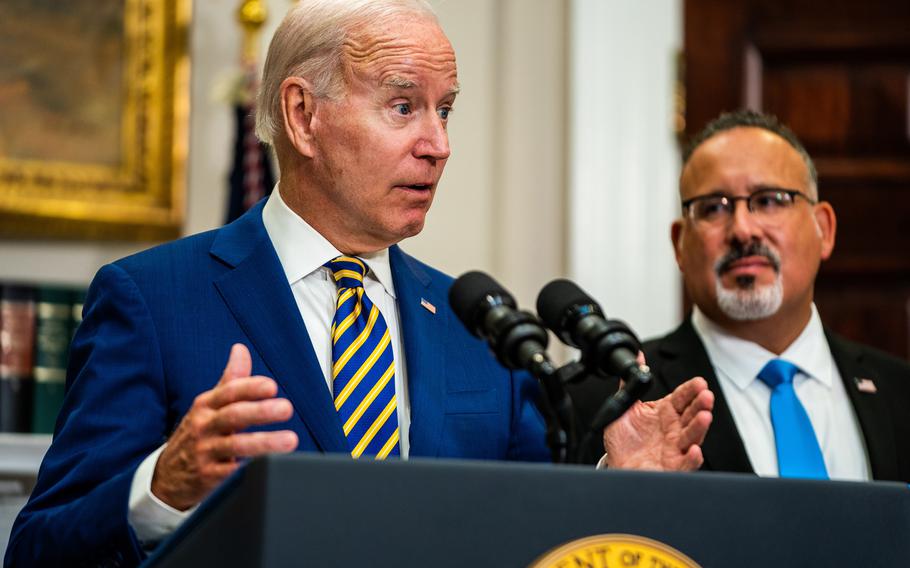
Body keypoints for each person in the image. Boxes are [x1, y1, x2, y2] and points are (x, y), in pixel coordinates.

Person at [5, 2, 713, 566]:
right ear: (302, 115)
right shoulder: (153, 300)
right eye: (404, 107)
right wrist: (162, 487)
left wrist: (612, 485)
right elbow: (38, 552)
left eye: (446, 109)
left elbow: (525, 537)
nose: (438, 143)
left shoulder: (476, 321)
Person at [574, 110, 910, 480]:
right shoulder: (605, 402)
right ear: (679, 245)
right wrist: (621, 484)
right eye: (713, 207)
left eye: (769, 200)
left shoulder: (900, 393)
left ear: (824, 229)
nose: (743, 229)